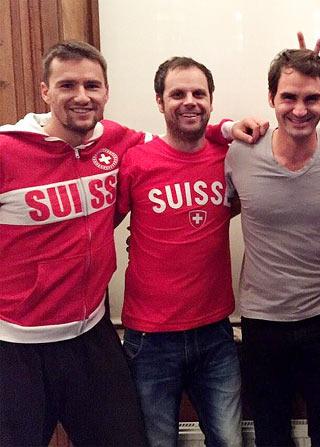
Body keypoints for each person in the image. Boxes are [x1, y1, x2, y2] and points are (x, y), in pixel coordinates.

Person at [0, 40, 264, 446]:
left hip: (101, 333)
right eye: (67, 85)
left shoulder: (122, 143)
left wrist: (226, 128)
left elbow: (190, 130)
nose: (82, 96)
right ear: (45, 91)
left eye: (92, 85)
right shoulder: (11, 150)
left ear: (107, 91)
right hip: (24, 343)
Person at [225, 48, 320, 447]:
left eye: (311, 98)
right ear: (271, 99)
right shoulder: (240, 153)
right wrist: (228, 126)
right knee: (271, 436)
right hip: (262, 325)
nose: (300, 109)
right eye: (289, 97)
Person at [115, 57, 246, 447]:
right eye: (177, 94)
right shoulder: (136, 161)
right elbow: (100, 225)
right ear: (159, 101)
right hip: (150, 339)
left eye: (198, 93)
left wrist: (225, 130)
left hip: (215, 335)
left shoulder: (230, 157)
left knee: (228, 440)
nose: (189, 101)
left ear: (211, 100)